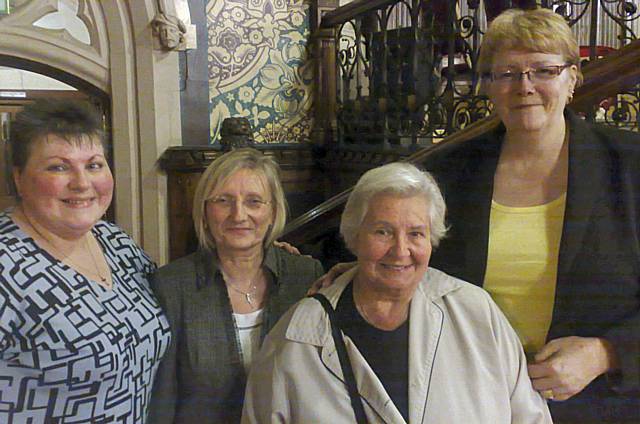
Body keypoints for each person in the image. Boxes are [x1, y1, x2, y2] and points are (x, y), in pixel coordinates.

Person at [422, 8, 640, 423]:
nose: (524, 86)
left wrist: (605, 353)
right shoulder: (448, 173)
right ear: (488, 85)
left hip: (599, 406)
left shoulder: (630, 166)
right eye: (505, 73)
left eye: (543, 70)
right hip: (471, 401)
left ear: (572, 78)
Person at [242, 162, 552, 423]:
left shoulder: (476, 313)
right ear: (355, 236)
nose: (401, 250)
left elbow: (531, 417)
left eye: (416, 233)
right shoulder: (297, 338)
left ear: (432, 240)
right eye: (383, 232)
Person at [0, 99, 171, 422]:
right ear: (19, 178)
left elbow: (178, 291)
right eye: (58, 167)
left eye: (93, 165)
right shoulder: (5, 264)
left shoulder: (116, 242)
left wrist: (258, 256)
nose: (82, 183)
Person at [149, 148, 324, 423]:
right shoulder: (171, 286)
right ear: (205, 213)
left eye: (254, 201)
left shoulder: (305, 276)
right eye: (223, 201)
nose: (238, 215)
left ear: (273, 211)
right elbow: (162, 400)